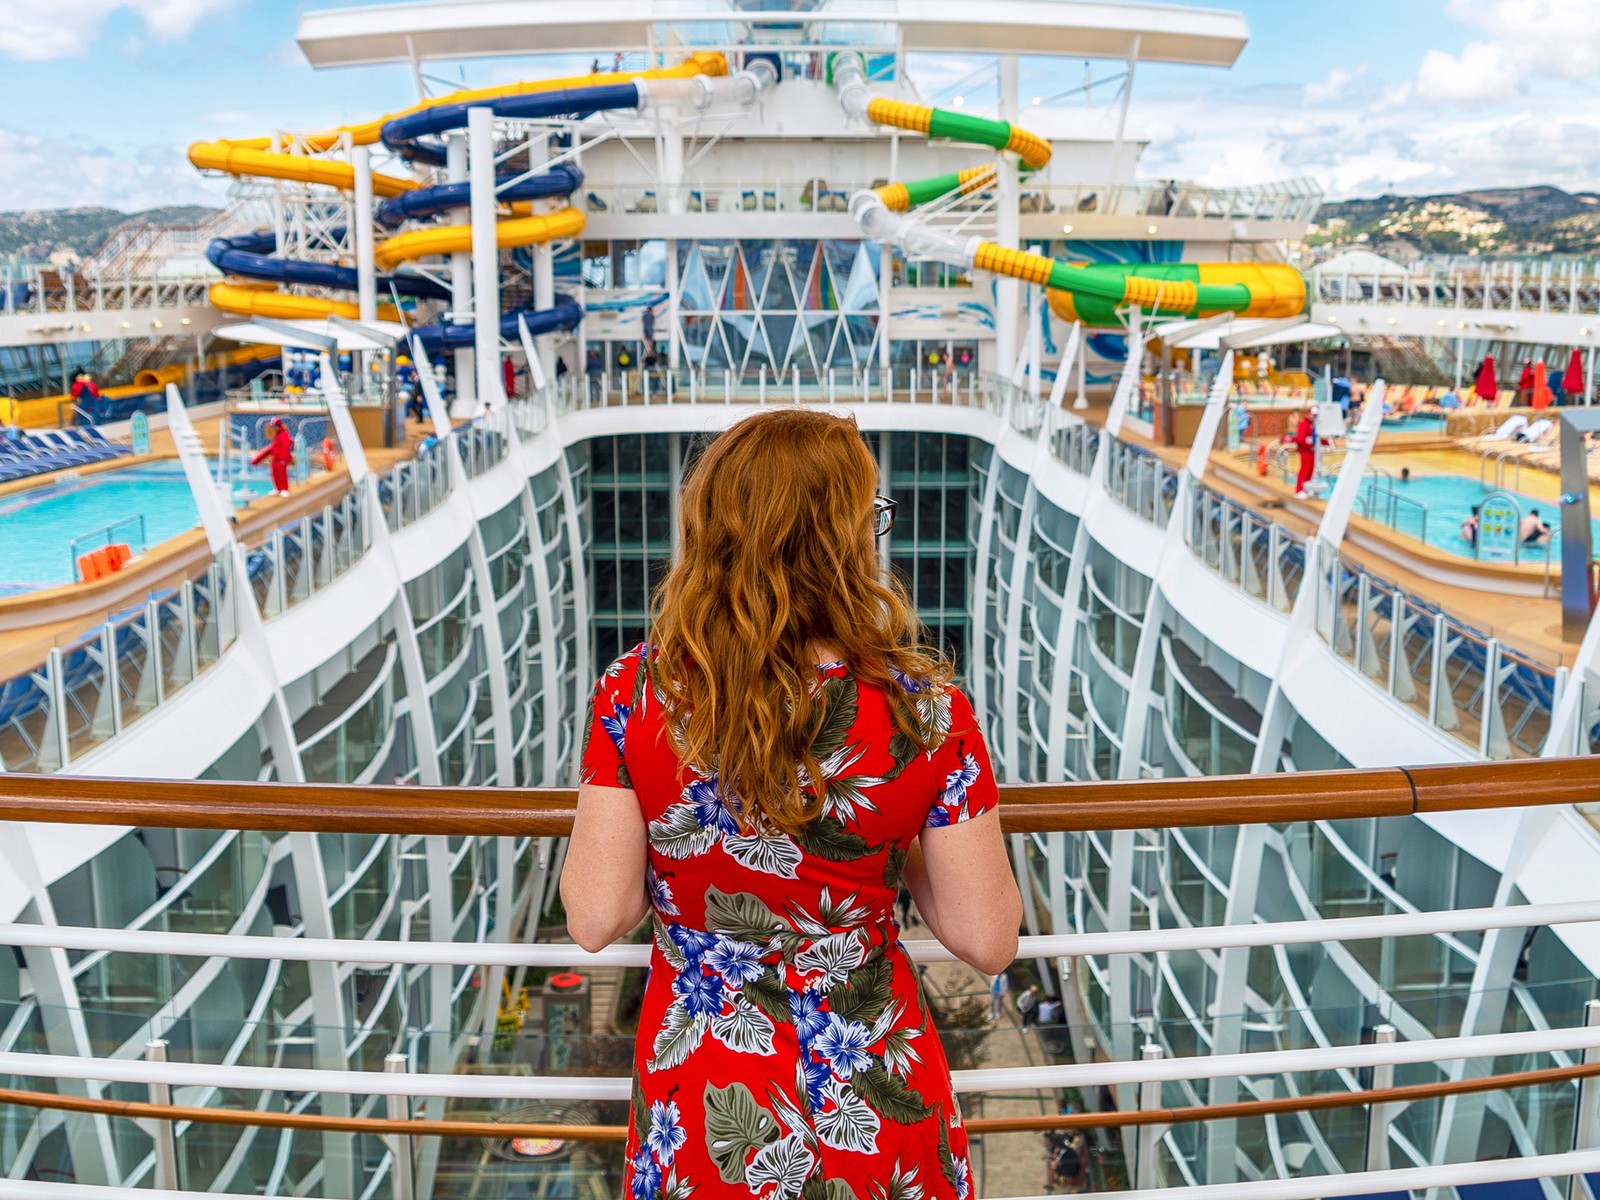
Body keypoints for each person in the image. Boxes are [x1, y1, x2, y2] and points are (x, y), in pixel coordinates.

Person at [560, 408, 1020, 1195]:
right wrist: (883, 841)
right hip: (873, 1089)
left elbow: (595, 916)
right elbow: (987, 939)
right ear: (845, 541)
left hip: (706, 1104)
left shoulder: (637, 692)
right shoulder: (927, 711)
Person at [250, 418, 294, 496]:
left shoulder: (284, 435)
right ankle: (278, 489)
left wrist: (283, 459)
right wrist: (257, 460)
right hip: (276, 458)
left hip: (281, 459)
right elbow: (273, 447)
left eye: (273, 426)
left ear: (277, 426)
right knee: (275, 474)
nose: (272, 428)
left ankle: (284, 489)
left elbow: (285, 447)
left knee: (282, 474)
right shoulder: (277, 435)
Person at [1283, 408, 1316, 498]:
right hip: (1305, 451)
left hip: (1311, 451)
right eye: (1313, 415)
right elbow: (1301, 439)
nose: (1314, 417)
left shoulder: (1313, 425)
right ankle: (1299, 490)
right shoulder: (1304, 424)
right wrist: (1309, 447)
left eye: (1316, 415)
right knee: (1304, 470)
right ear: (1309, 414)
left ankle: (1306, 488)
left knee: (1310, 470)